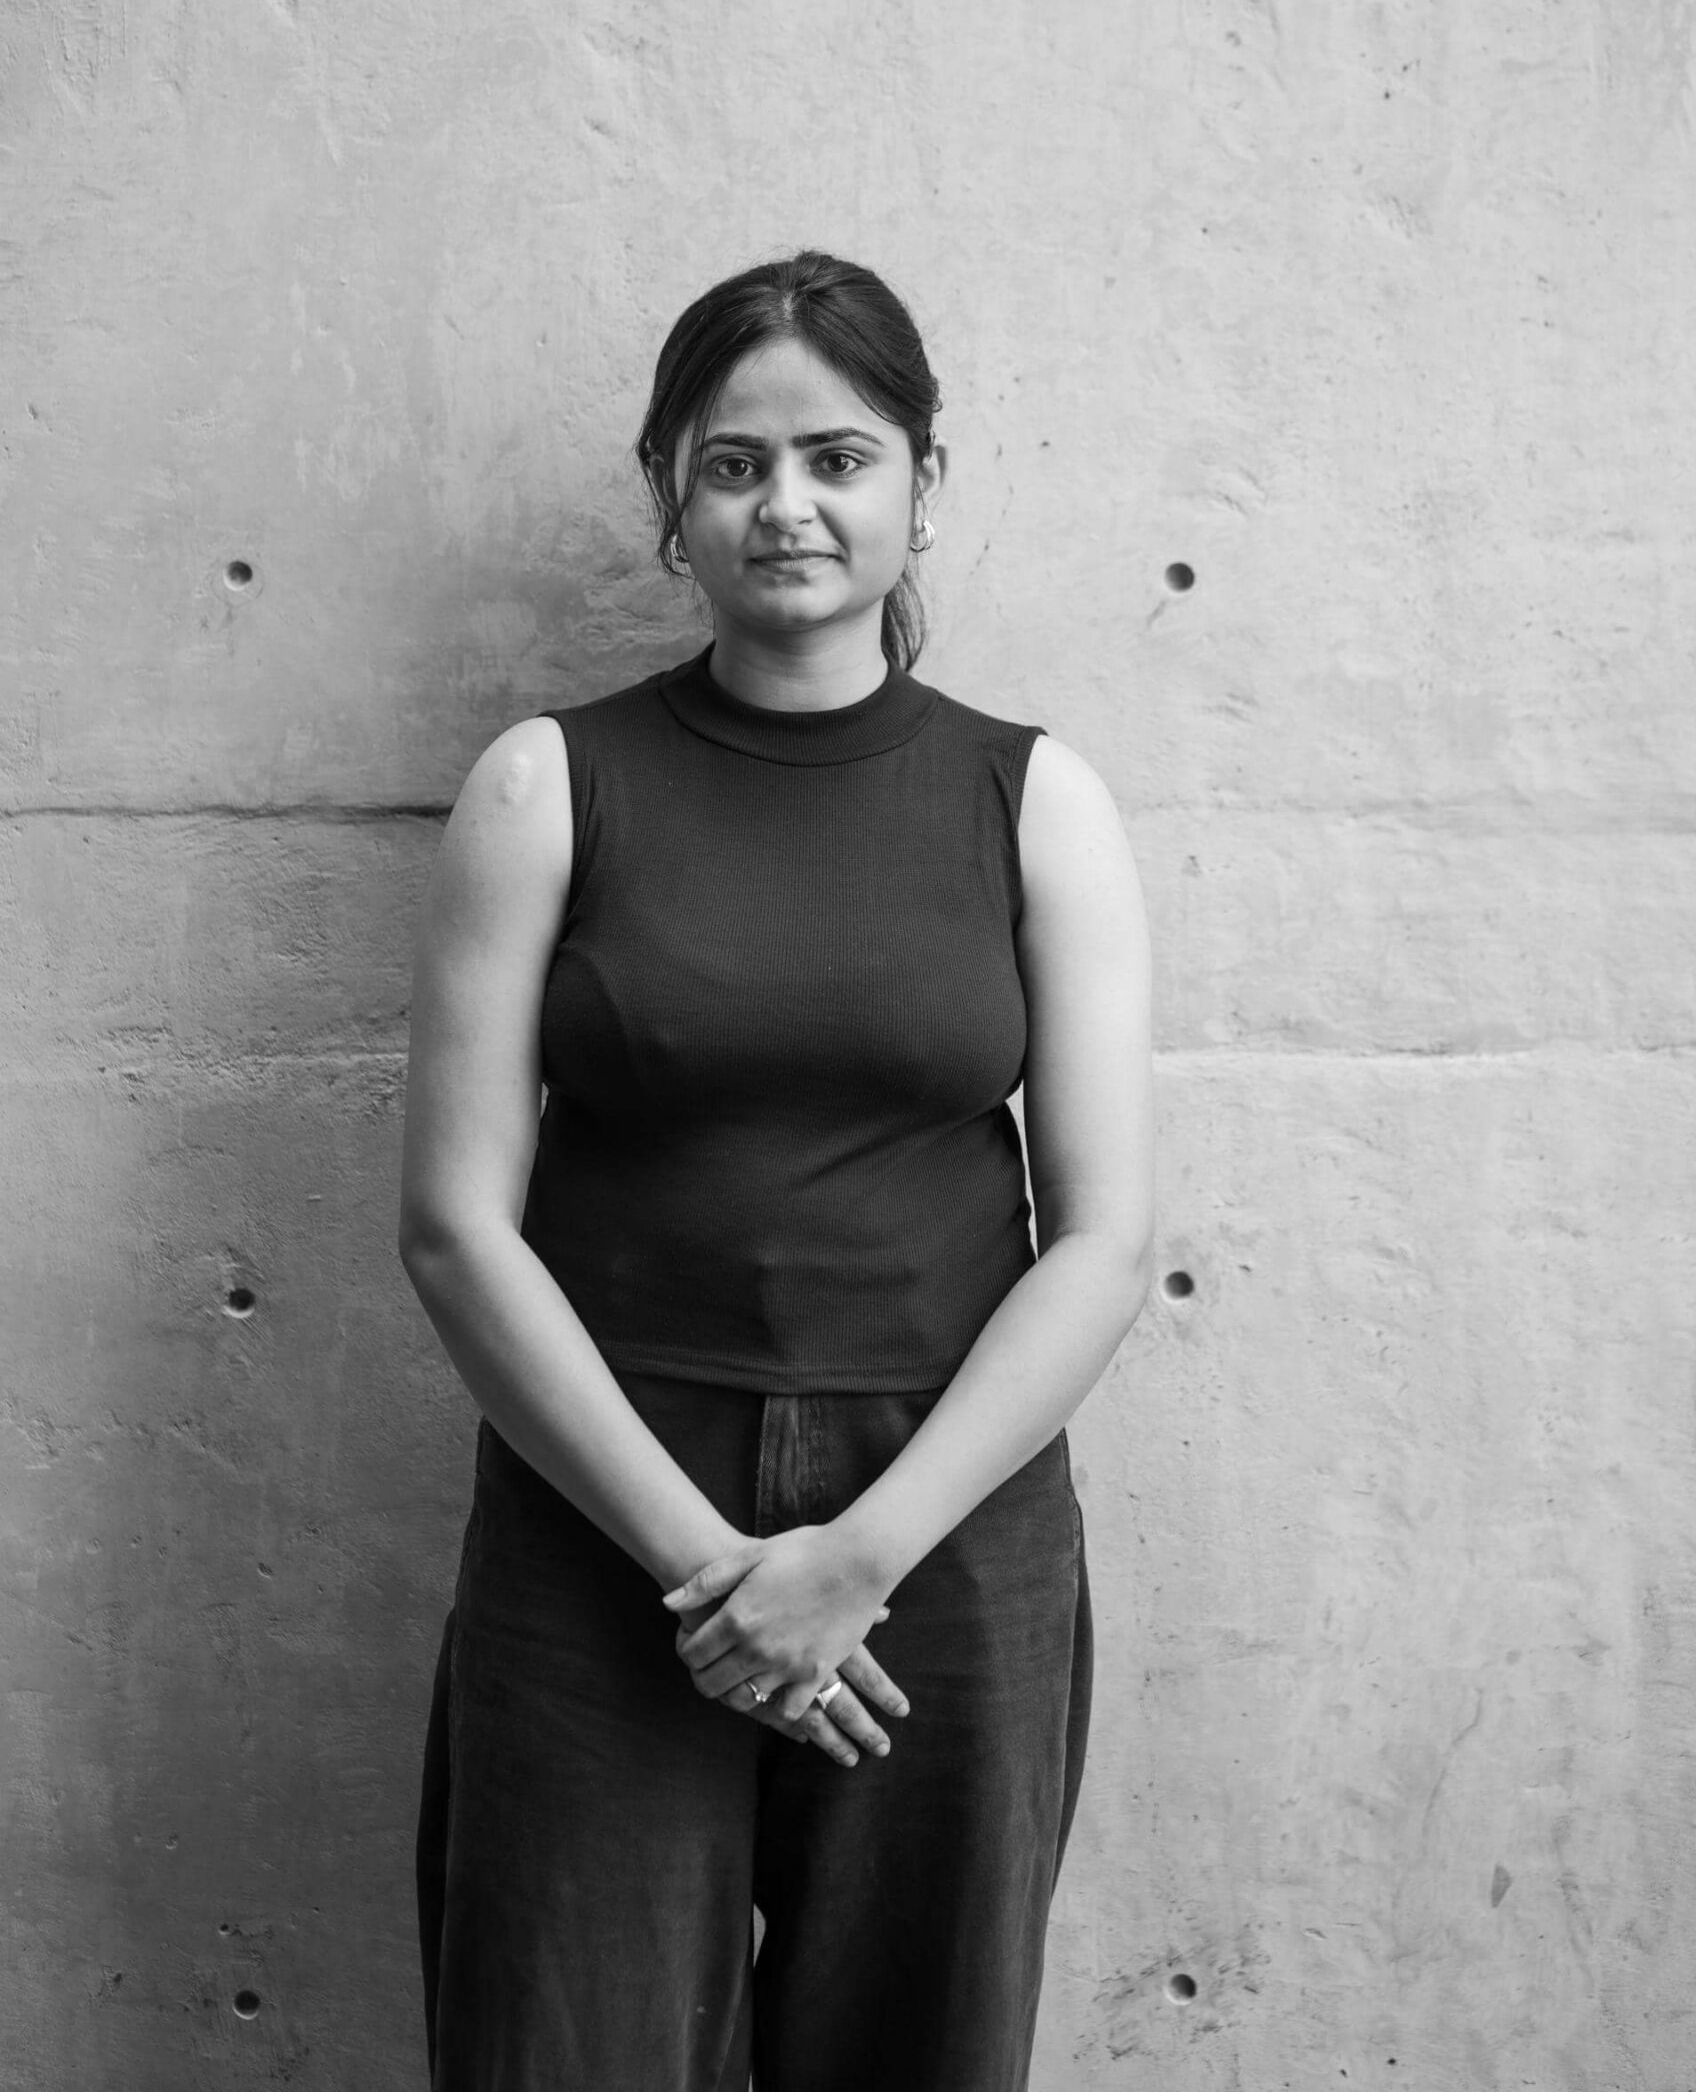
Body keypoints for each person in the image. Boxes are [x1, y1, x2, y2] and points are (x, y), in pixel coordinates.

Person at [402, 249, 1153, 2091]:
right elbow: (454, 1228)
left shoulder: (1033, 798)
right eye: (734, 464)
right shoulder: (548, 785)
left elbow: (1105, 1238)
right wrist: (709, 1574)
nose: (788, 506)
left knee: (922, 2048)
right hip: (606, 1512)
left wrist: (857, 1562)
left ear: (921, 484)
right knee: (562, 2048)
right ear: (673, 497)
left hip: (945, 1525)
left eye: (840, 457)